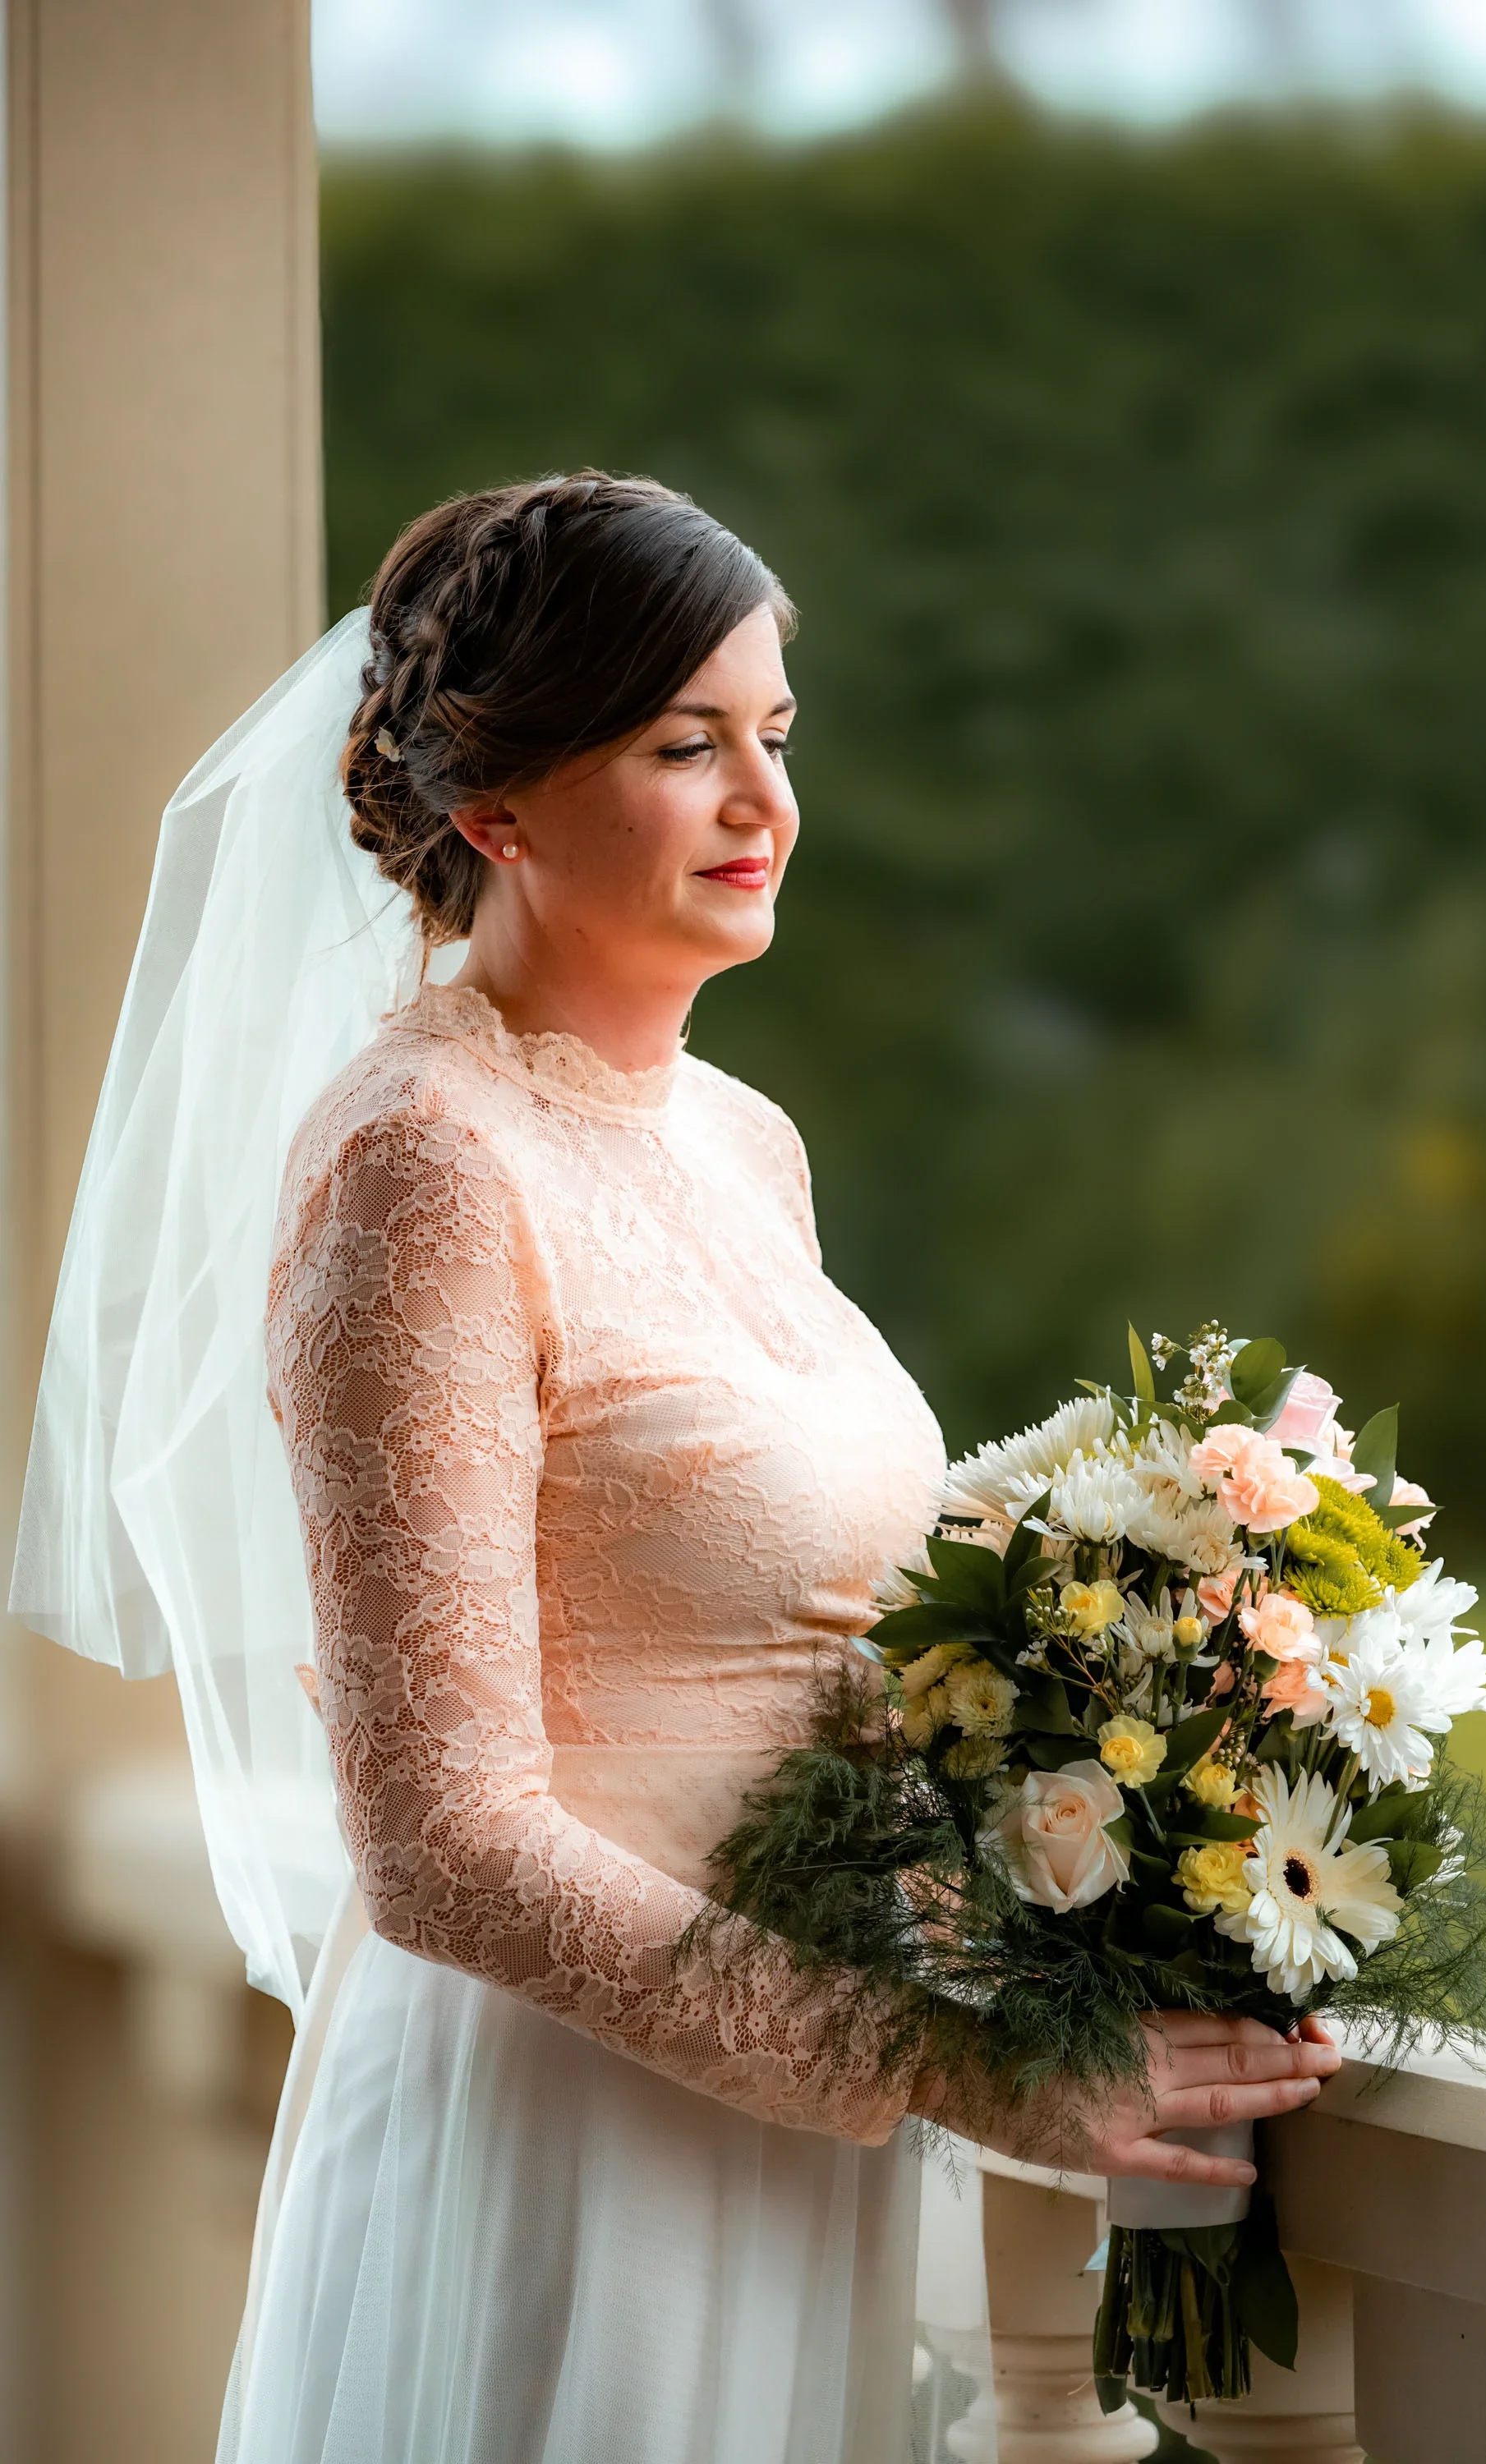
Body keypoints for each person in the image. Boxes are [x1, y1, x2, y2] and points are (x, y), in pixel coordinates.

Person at [19, 471, 1339, 2464]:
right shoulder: (419, 1166)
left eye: (774, 737)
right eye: (680, 743)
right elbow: (442, 1837)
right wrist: (960, 2061)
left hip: (792, 2139)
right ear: (496, 810)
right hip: (570, 2150)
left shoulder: (742, 1140)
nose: (759, 801)